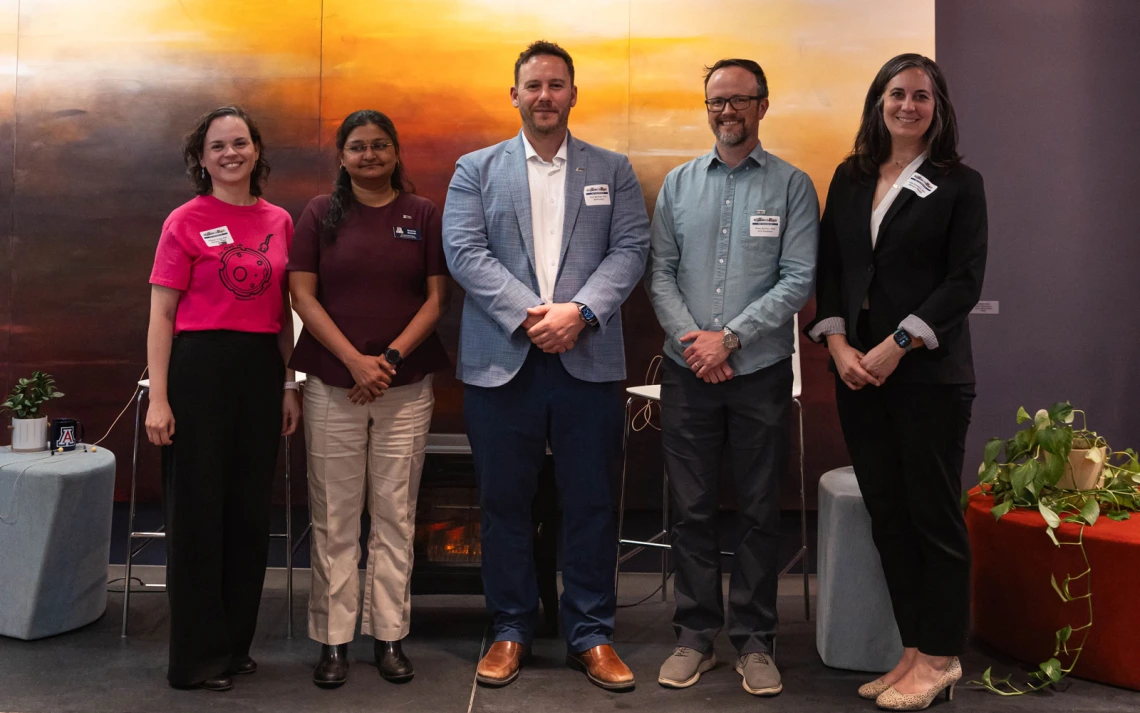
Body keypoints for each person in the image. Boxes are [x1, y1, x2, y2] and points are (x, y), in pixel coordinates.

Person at [442, 40, 650, 691]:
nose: (545, 96)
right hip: (505, 362)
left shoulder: (612, 170)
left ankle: (591, 632)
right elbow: (465, 251)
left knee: (589, 500)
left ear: (573, 93)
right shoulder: (474, 170)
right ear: (514, 94)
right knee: (505, 503)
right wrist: (537, 315)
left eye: (556, 85)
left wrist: (579, 313)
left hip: (587, 360)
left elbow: (631, 249)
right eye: (533, 85)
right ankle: (510, 627)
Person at [805, 53, 986, 711]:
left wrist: (898, 343)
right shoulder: (851, 178)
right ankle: (913, 649)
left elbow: (964, 281)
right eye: (897, 93)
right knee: (890, 515)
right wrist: (840, 343)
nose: (908, 105)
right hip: (857, 375)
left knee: (933, 515)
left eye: (921, 96)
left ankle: (941, 656)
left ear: (938, 108)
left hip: (929, 376)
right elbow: (831, 268)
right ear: (878, 100)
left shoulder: (960, 183)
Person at [645, 58, 819, 697]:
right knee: (690, 510)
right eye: (717, 101)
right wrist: (698, 345)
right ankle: (695, 637)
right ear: (707, 106)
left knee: (756, 510)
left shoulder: (793, 186)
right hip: (690, 372)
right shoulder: (678, 185)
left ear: (763, 106)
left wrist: (731, 339)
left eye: (740, 100)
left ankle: (754, 642)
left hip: (759, 373)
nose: (727, 111)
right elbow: (658, 273)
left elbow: (798, 277)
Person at [288, 110, 451, 688]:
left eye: (380, 145)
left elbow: (436, 300)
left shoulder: (423, 213)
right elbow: (302, 296)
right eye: (357, 147)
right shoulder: (317, 214)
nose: (369, 155)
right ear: (342, 157)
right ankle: (333, 641)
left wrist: (389, 362)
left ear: (395, 151)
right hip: (334, 386)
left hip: (405, 389)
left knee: (395, 515)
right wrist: (355, 361)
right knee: (333, 518)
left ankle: (388, 636)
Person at [145, 105, 300, 692]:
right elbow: (161, 315)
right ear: (201, 158)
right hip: (198, 371)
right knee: (198, 514)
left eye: (240, 142)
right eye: (218, 146)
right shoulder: (183, 221)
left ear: (256, 150)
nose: (230, 153)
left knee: (248, 514)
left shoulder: (279, 221)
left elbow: (285, 313)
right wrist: (160, 397)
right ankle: (195, 659)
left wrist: (289, 383)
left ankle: (235, 645)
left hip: (261, 371)